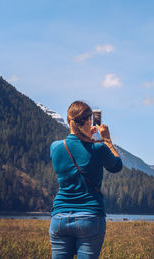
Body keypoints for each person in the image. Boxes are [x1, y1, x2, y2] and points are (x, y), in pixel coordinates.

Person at [49, 101, 123, 259]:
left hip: (59, 217)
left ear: (69, 121)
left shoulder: (55, 147)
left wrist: (88, 137)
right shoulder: (99, 148)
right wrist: (107, 140)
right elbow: (117, 166)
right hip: (90, 217)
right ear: (89, 121)